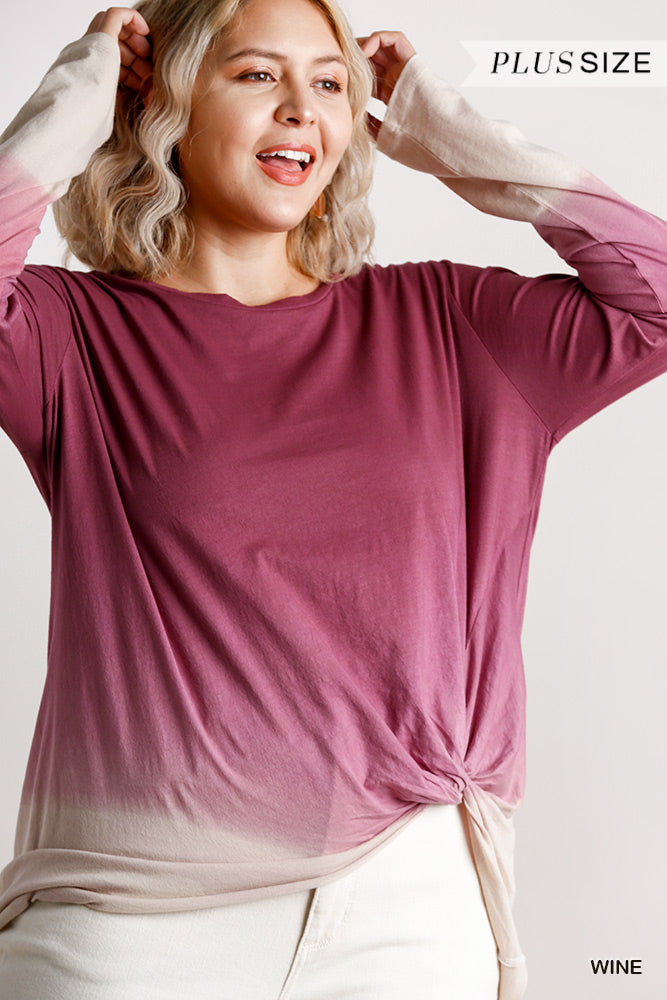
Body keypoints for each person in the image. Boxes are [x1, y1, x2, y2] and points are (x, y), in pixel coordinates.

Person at [0, 1, 666, 998]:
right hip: (133, 924)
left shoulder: (450, 323)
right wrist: (77, 99)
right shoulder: (70, 336)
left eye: (327, 83)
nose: (300, 110)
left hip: (407, 915)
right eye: (255, 75)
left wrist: (462, 139)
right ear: (163, 102)